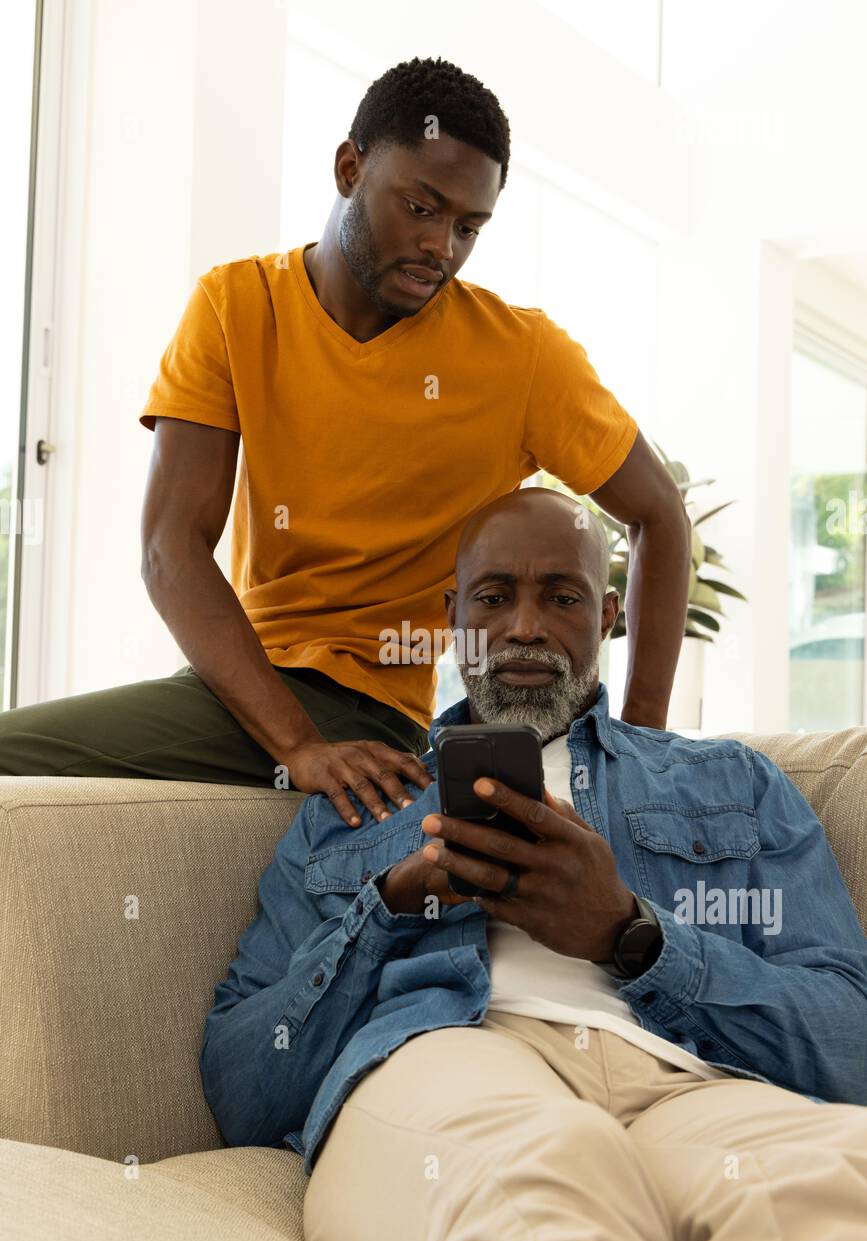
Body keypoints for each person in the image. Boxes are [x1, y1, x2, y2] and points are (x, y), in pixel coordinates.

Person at [200, 487, 867, 1241]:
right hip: (453, 1062)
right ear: (450, 614)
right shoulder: (354, 810)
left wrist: (631, 934)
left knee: (821, 1188)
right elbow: (242, 1084)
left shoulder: (731, 783)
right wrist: (390, 910)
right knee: (547, 1181)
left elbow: (851, 1043)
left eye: (561, 596)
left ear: (607, 616)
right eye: (492, 597)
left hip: (688, 1083)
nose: (522, 627)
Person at [0, 57, 691, 830]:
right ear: (348, 167)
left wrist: (642, 744)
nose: (442, 247)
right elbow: (170, 547)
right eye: (422, 208)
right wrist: (291, 741)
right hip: (246, 690)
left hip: (369, 712)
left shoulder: (521, 355)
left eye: (468, 227)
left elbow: (659, 515)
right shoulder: (235, 307)